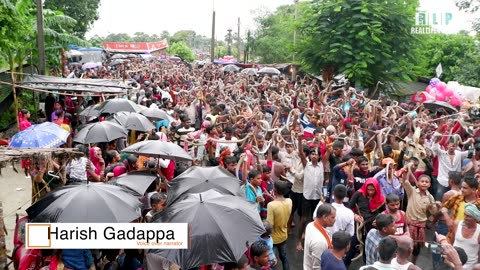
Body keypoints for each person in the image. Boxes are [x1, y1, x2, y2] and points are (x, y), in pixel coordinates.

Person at [266, 181, 292, 270]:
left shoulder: (271, 205)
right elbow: (280, 204)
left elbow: (269, 225)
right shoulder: (289, 201)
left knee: (272, 262)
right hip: (284, 235)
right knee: (284, 258)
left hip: (273, 238)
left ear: (275, 190)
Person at [304, 203, 336, 269]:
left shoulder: (311, 225)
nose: (335, 220)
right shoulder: (320, 242)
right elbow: (317, 267)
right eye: (333, 217)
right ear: (324, 217)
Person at [451, 203, 480, 270]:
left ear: (475, 218)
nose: (465, 218)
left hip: (470, 267)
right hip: (453, 265)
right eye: (465, 214)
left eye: (469, 216)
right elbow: (452, 242)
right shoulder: (457, 224)